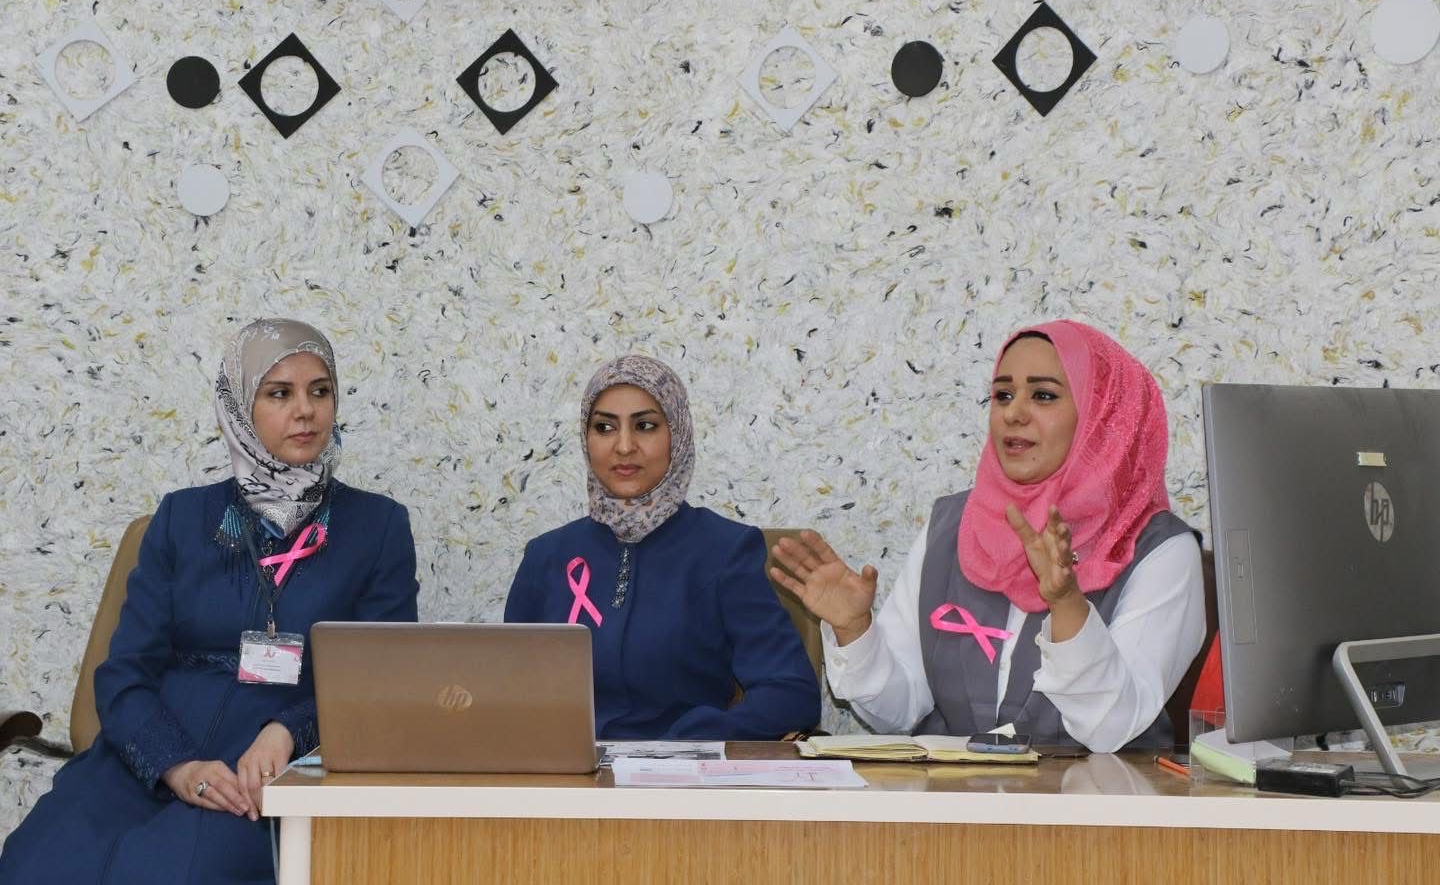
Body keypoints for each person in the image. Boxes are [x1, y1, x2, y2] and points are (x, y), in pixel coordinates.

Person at [0, 319, 419, 884]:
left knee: (173, 872)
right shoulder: (183, 517)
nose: (305, 411)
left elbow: (382, 677)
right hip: (150, 753)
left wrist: (289, 732)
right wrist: (175, 765)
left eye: (320, 391)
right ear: (239, 408)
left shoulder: (376, 527)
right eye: (279, 393)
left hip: (269, 771)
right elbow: (125, 673)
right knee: (35, 863)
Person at [771, 320, 1205, 751]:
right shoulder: (951, 525)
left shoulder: (1159, 549)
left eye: (1043, 395)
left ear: (1103, 415)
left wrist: (1067, 603)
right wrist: (854, 630)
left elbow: (1112, 728)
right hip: (958, 793)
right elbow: (900, 712)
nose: (1014, 413)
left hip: (1101, 795)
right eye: (1003, 395)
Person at [504, 354, 819, 740]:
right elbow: (507, 694)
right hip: (563, 772)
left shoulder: (725, 551)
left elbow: (791, 694)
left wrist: (695, 740)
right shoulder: (546, 556)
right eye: (604, 427)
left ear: (677, 433)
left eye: (645, 426)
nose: (624, 447)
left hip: (679, 772)